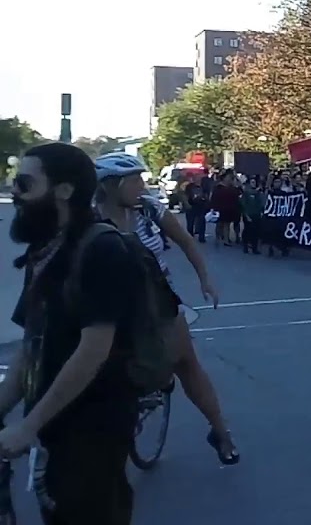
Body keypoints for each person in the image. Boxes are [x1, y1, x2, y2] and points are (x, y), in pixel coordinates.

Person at [0, 144, 142, 524]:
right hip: (55, 426)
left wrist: (29, 426)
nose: (16, 192)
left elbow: (93, 350)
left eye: (26, 183)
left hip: (94, 427)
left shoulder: (102, 249)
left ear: (63, 190)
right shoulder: (46, 248)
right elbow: (31, 346)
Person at [91, 153, 240, 466]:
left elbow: (186, 242)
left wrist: (205, 280)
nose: (142, 186)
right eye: (134, 181)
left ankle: (220, 431)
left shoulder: (149, 208)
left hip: (157, 298)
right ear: (110, 185)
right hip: (110, 302)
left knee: (187, 363)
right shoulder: (88, 218)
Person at [239, 177, 265, 255]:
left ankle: (255, 248)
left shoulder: (258, 193)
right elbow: (243, 205)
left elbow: (261, 204)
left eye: (254, 182)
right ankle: (245, 246)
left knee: (256, 232)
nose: (253, 184)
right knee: (247, 230)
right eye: (252, 182)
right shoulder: (246, 193)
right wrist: (246, 215)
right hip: (248, 215)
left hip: (256, 215)